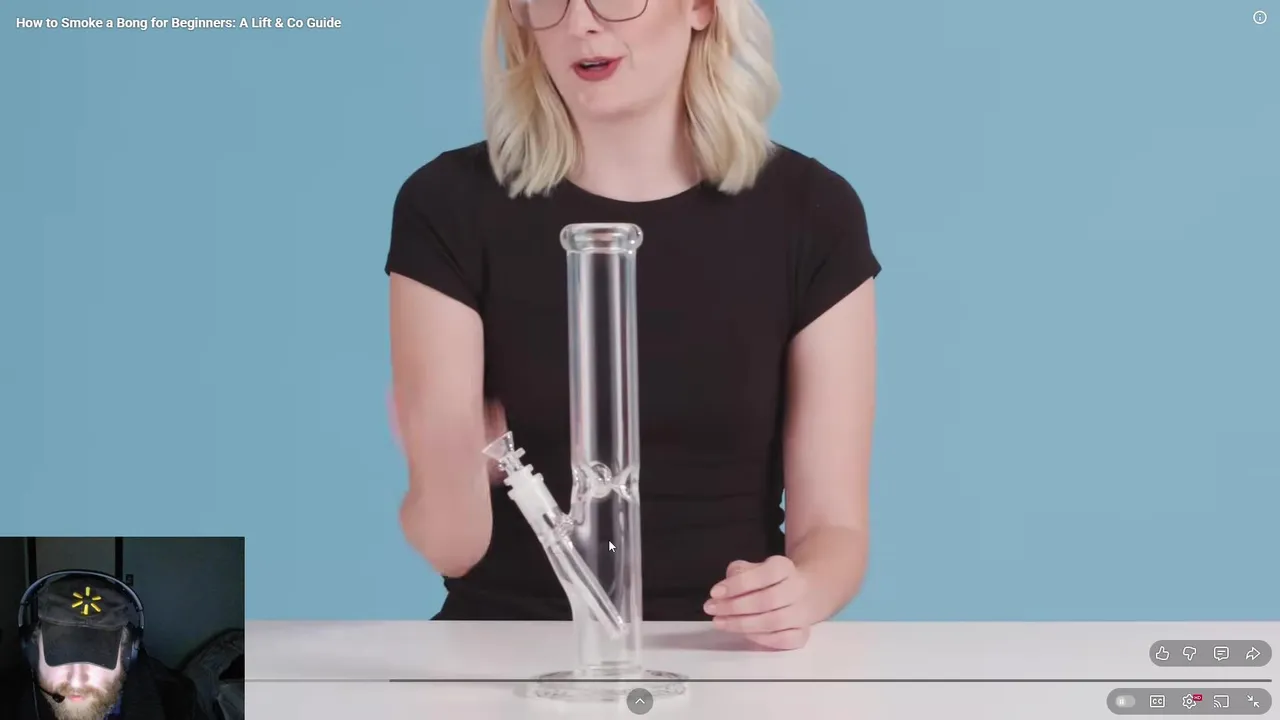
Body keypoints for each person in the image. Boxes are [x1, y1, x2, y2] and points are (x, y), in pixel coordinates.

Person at [386, 0, 879, 651]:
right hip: (506, 658)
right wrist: (447, 461)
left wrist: (801, 591)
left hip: (724, 657)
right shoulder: (449, 204)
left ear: (700, 8)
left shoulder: (812, 213)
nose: (580, 24)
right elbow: (452, 549)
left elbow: (835, 530)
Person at [0, 571, 207, 720]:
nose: (77, 680)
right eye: (60, 655)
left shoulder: (178, 703)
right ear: (33, 653)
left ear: (128, 655)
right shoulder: (6, 701)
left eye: (96, 656)